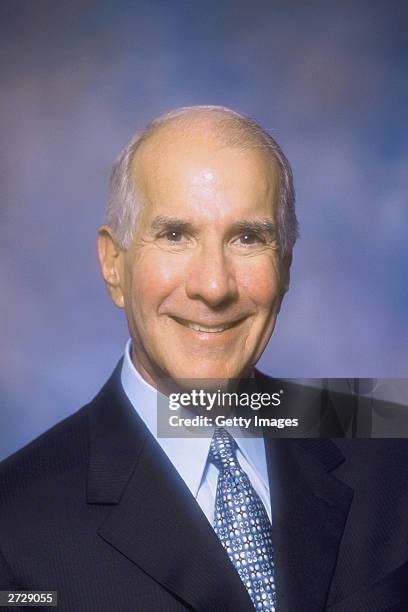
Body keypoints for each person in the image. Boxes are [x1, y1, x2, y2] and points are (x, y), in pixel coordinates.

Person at [1, 106, 408, 612]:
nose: (214, 287)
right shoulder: (13, 525)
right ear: (113, 265)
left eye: (248, 238)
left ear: (285, 267)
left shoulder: (388, 433)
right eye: (175, 235)